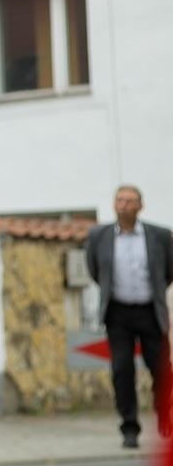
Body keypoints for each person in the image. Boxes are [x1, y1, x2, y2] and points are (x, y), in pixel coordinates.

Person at [85, 185, 173, 449]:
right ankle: (129, 427)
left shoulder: (160, 236)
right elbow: (94, 269)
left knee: (160, 369)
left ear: (140, 206)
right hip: (118, 312)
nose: (124, 205)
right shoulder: (99, 236)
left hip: (150, 310)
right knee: (122, 369)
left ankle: (164, 416)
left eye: (129, 201)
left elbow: (169, 270)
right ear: (114, 205)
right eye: (120, 200)